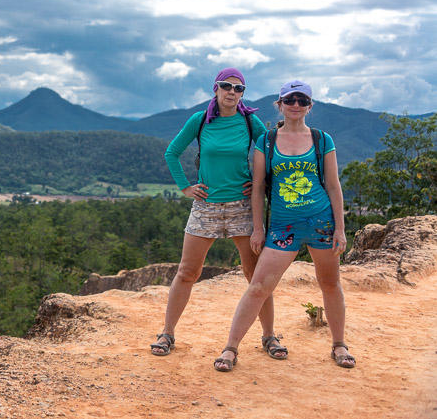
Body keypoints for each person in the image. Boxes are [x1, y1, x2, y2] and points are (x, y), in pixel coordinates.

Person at [213, 79, 355, 371]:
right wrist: (258, 228)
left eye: (302, 101)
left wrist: (340, 228)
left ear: (310, 106)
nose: (296, 106)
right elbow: (256, 189)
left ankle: (339, 344)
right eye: (290, 100)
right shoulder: (267, 140)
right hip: (281, 226)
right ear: (280, 105)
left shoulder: (322, 139)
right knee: (258, 287)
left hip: (321, 222)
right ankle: (230, 348)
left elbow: (332, 185)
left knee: (330, 284)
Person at [151, 68, 286, 360]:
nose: (232, 92)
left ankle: (269, 337)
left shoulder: (250, 122)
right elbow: (171, 152)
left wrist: (260, 181)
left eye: (239, 89)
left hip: (242, 206)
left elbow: (272, 152)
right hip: (206, 206)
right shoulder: (200, 121)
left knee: (256, 276)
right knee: (187, 272)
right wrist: (185, 187)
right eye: (227, 86)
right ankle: (167, 333)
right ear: (215, 88)